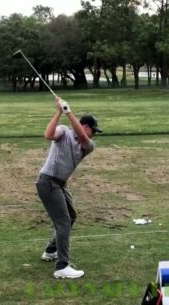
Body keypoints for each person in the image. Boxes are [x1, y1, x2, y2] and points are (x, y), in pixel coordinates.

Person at [36, 97, 103, 279]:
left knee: (71, 216)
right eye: (93, 131)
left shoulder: (88, 145)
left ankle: (51, 250)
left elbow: (81, 137)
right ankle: (62, 266)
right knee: (63, 222)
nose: (93, 135)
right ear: (86, 126)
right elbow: (49, 135)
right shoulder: (64, 131)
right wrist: (59, 112)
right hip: (47, 182)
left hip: (60, 185)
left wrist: (68, 111)